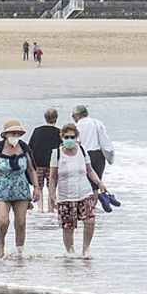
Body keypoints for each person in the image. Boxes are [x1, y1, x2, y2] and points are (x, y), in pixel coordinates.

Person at [49, 122, 109, 257]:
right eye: (66, 137)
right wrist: (52, 195)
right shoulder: (56, 154)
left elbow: (89, 170)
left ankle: (85, 250)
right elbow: (52, 177)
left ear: (77, 137)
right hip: (65, 195)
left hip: (84, 191)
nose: (69, 140)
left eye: (72, 137)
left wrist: (99, 183)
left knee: (90, 220)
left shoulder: (82, 150)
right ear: (62, 137)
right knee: (68, 227)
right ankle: (70, 253)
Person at [0, 119, 38, 259]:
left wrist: (36, 188)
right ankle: (1, 243)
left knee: (20, 222)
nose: (15, 136)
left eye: (18, 133)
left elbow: (31, 170)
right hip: (1, 189)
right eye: (13, 133)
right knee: (3, 221)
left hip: (21, 189)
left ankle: (19, 251)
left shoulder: (24, 149)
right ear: (5, 135)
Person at [28, 109, 63, 212]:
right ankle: (50, 209)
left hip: (38, 163)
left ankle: (40, 209)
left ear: (45, 117)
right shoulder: (58, 132)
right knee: (51, 187)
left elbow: (30, 147)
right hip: (53, 164)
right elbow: (61, 148)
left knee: (38, 186)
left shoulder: (37, 131)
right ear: (56, 118)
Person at [72, 104, 115, 181]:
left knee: (84, 183)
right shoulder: (96, 123)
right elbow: (104, 140)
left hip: (83, 155)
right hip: (98, 155)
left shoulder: (75, 127)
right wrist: (110, 156)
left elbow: (75, 143)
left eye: (73, 116)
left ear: (78, 115)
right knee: (96, 183)